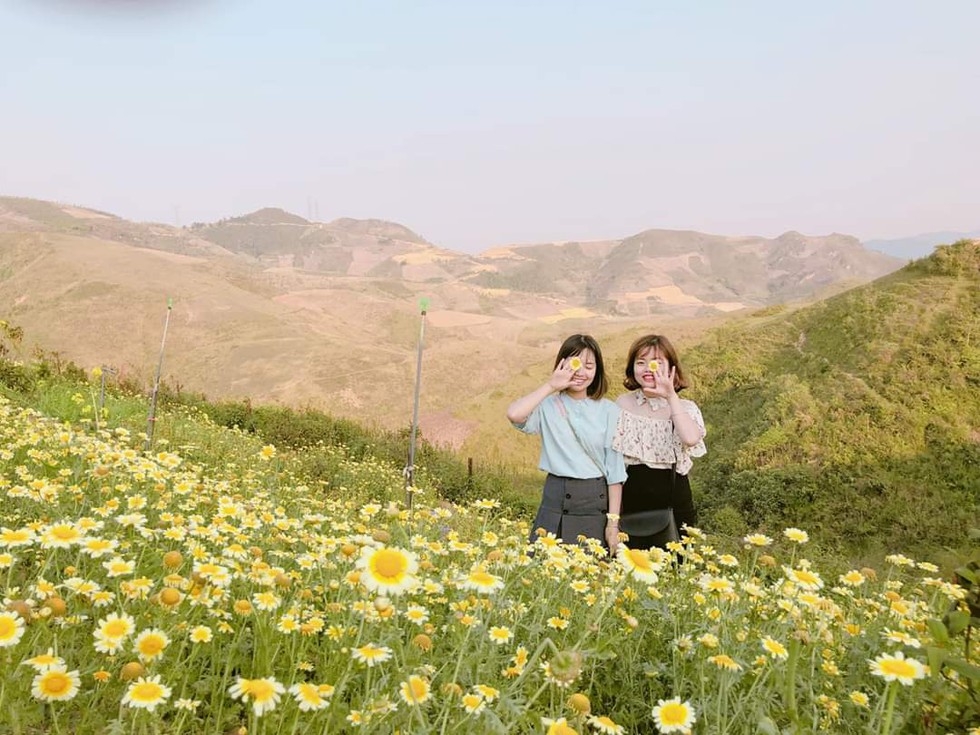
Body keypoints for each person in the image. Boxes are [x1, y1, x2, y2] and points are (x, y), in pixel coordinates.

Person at [506, 334, 626, 552]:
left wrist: (613, 524)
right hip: (555, 499)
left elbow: (615, 474)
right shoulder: (548, 405)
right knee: (545, 574)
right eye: (574, 364)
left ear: (597, 370)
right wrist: (551, 385)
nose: (581, 372)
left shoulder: (610, 411)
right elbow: (515, 414)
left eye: (589, 366)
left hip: (594, 502)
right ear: (561, 364)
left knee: (589, 576)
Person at [612, 334, 706, 549]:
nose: (647, 369)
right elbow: (614, 466)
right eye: (640, 362)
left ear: (671, 368)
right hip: (631, 505)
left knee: (675, 571)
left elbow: (690, 438)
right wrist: (613, 520)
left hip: (674, 507)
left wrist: (671, 396)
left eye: (656, 362)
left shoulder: (686, 407)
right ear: (632, 368)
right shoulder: (622, 405)